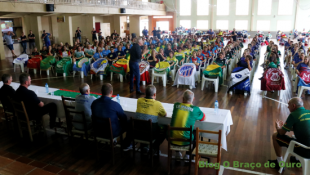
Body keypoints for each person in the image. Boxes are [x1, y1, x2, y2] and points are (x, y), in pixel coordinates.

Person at [268, 97, 310, 170]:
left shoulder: (294, 114)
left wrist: (278, 127)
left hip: (305, 151)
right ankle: (297, 160)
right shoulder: (308, 112)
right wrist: (285, 127)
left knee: (275, 136)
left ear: (294, 106)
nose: (288, 106)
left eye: (289, 105)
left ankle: (279, 163)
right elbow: (301, 127)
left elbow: (281, 133)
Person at [91, 83, 131, 149]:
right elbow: (124, 119)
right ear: (111, 92)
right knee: (129, 123)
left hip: (97, 130)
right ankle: (126, 145)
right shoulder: (115, 104)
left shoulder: (94, 103)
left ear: (101, 90)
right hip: (111, 132)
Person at [170, 90, 205, 161]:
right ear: (193, 99)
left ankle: (177, 153)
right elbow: (203, 117)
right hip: (187, 141)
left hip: (172, 139)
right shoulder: (195, 109)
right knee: (196, 133)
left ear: (183, 98)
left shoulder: (176, 105)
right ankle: (187, 155)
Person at [135, 85, 167, 153]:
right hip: (151, 134)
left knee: (143, 124)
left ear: (145, 93)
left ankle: (144, 146)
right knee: (164, 128)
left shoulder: (139, 100)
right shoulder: (158, 104)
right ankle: (154, 147)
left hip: (138, 133)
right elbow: (164, 115)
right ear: (154, 94)